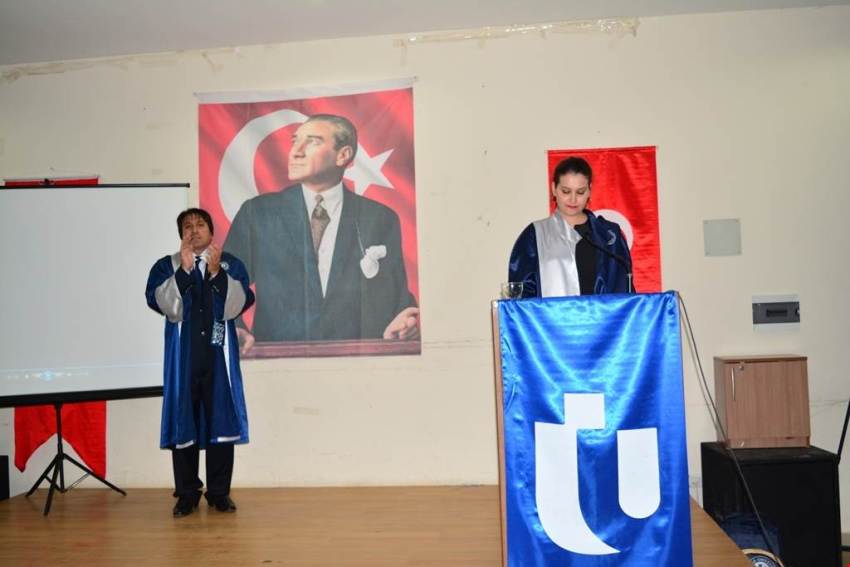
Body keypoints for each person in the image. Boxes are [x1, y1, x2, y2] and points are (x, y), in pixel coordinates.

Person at [224, 113, 419, 350]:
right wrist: (235, 328)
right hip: (277, 360)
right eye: (295, 141)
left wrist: (404, 321)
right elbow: (225, 283)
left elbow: (396, 296)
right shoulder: (258, 213)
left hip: (356, 361)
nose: (296, 152)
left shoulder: (380, 218)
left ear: (343, 155)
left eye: (313, 142)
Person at [145, 208, 255, 517]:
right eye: (187, 226)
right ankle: (187, 494)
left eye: (200, 224)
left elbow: (237, 304)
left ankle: (219, 493)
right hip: (184, 359)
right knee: (184, 424)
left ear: (211, 230)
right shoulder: (166, 266)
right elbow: (162, 303)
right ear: (181, 234)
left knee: (221, 423)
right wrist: (183, 270)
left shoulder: (230, 264)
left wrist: (217, 272)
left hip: (219, 359)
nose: (194, 230)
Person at [508, 156, 633, 298]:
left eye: (580, 192)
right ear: (554, 189)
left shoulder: (610, 236)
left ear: (589, 190)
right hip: (552, 313)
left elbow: (625, 293)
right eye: (566, 191)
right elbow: (520, 297)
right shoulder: (534, 235)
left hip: (604, 313)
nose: (573, 199)